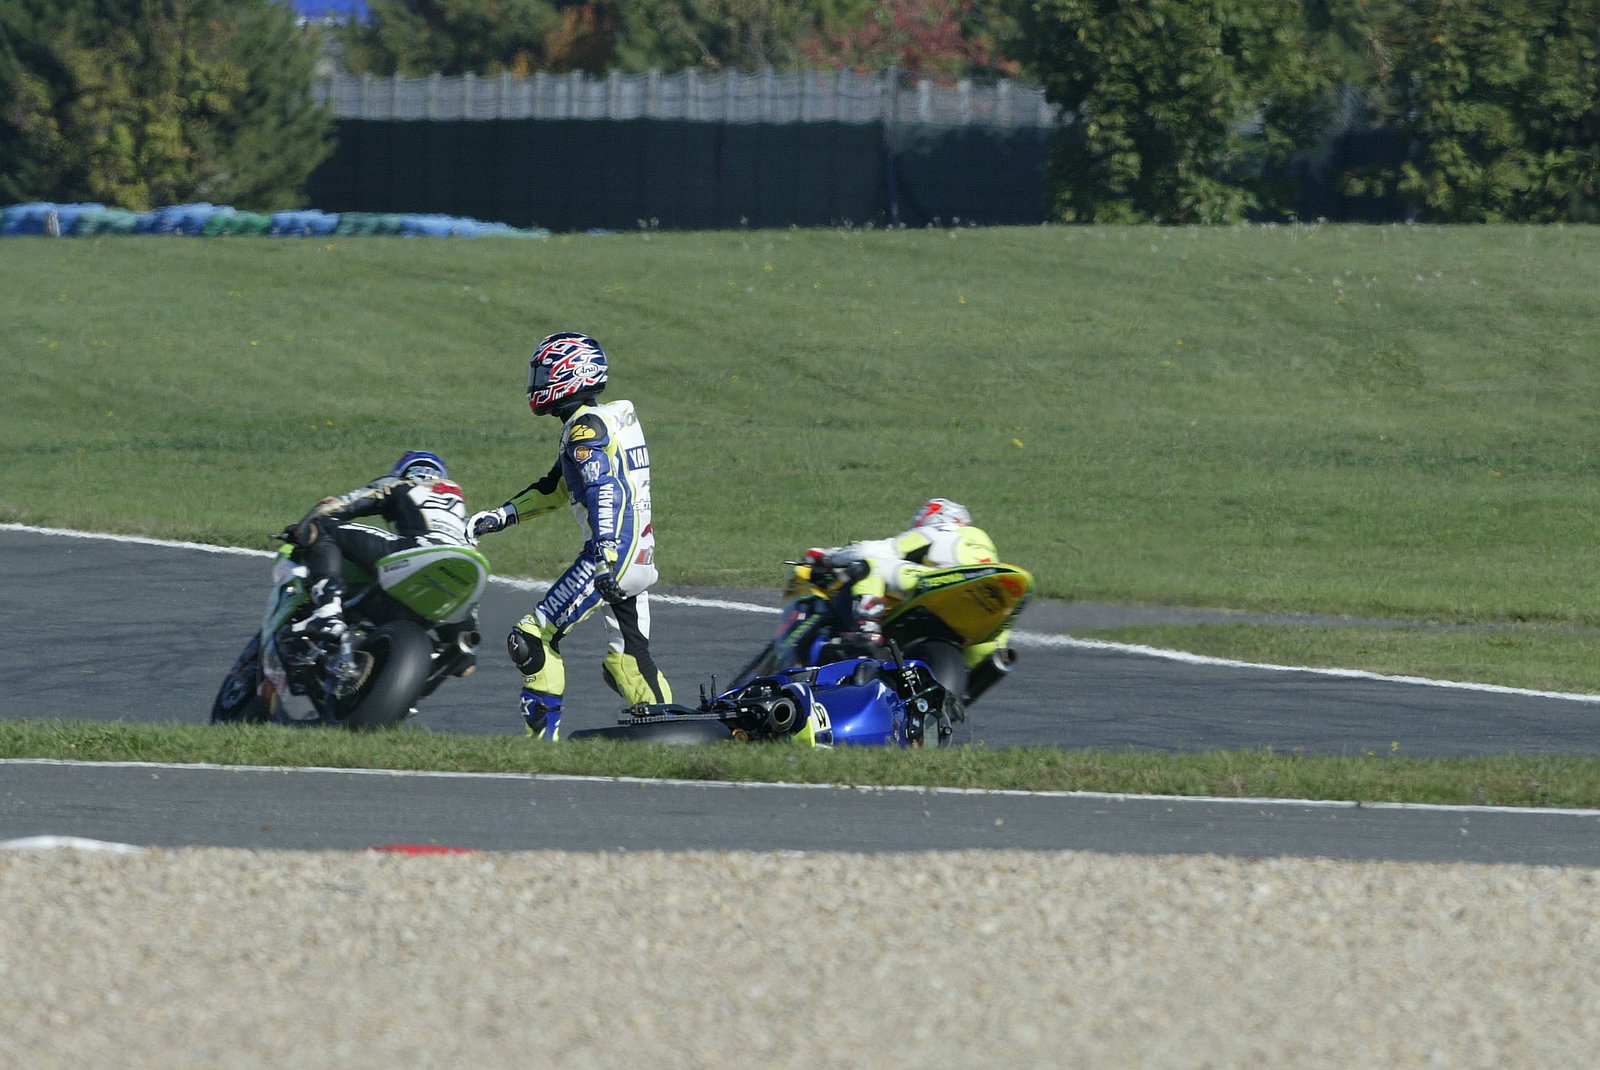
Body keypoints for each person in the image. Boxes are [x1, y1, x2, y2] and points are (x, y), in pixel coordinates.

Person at [469, 332, 673, 740]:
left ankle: (541, 746)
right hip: (638, 552)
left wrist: (604, 555)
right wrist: (503, 515)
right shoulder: (607, 420)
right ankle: (671, 735)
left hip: (611, 555)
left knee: (530, 638)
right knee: (627, 661)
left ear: (571, 374)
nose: (537, 383)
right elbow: (558, 487)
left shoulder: (585, 430)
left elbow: (603, 489)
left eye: (545, 374)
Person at [808, 498, 1016, 698]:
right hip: (984, 614)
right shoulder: (983, 545)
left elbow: (872, 550)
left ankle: (866, 633)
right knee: (991, 654)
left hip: (943, 581)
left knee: (872, 566)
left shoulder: (940, 530)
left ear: (933, 516)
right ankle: (963, 697)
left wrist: (827, 557)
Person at [284, 450, 478, 647]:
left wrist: (302, 529)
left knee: (323, 527)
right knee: (463, 647)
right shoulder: (461, 512)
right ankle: (459, 650)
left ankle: (327, 612)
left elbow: (339, 506)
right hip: (464, 574)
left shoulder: (400, 483)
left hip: (418, 549)